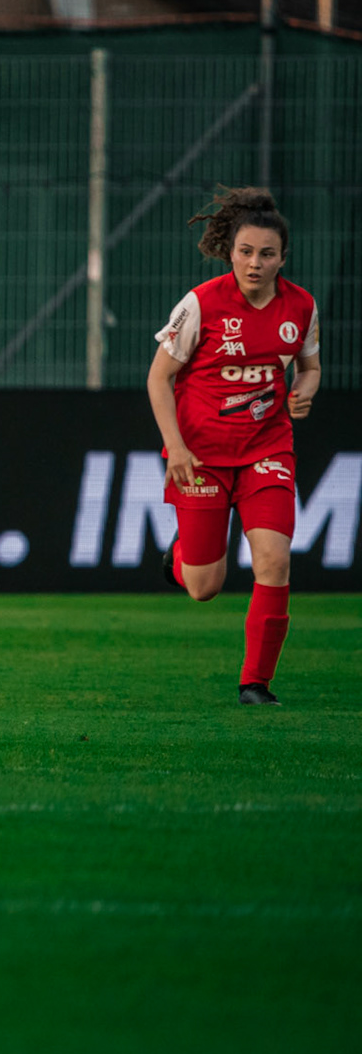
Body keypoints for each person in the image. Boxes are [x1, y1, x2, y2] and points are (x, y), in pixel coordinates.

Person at [148, 187, 320, 705]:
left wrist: (304, 390)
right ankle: (177, 559)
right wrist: (175, 447)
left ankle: (256, 684)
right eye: (246, 251)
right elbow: (159, 380)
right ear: (231, 252)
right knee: (204, 585)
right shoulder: (200, 303)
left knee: (274, 560)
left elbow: (309, 366)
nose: (255, 263)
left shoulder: (302, 306)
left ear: (282, 258)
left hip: (267, 447)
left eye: (267, 254)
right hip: (200, 454)